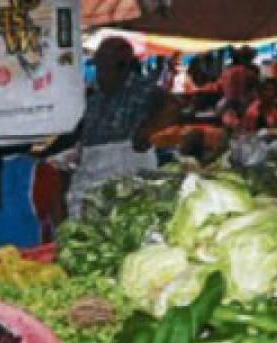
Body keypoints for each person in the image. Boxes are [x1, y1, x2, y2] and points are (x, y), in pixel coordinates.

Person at [47, 36, 178, 217]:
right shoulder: (92, 94)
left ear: (123, 66)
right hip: (91, 162)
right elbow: (77, 130)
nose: (100, 72)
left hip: (127, 161)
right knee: (82, 214)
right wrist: (47, 151)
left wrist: (148, 130)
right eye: (99, 66)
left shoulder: (143, 88)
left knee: (125, 216)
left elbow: (173, 106)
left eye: (105, 66)